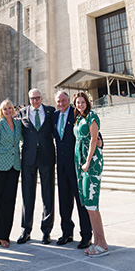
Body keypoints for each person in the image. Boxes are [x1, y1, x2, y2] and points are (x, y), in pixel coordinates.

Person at [53, 91, 92, 249]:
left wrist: (100, 139)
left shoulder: (77, 114)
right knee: (64, 202)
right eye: (58, 101)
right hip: (61, 166)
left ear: (69, 101)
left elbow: (87, 129)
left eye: (63, 100)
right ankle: (67, 232)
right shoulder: (54, 117)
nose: (61, 103)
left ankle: (86, 235)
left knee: (80, 201)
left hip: (76, 165)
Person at [17, 88, 55, 244]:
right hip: (28, 159)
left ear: (42, 98)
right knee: (27, 196)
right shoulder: (22, 113)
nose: (36, 101)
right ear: (29, 99)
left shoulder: (51, 111)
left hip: (46, 157)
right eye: (33, 98)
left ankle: (46, 231)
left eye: (38, 98)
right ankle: (26, 230)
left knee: (48, 195)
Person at [73, 92, 108, 257]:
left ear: (87, 102)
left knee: (92, 204)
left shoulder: (92, 117)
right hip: (81, 165)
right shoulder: (79, 119)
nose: (80, 105)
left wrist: (87, 162)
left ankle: (102, 243)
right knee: (87, 204)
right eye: (77, 103)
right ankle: (97, 242)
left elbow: (95, 139)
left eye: (82, 102)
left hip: (91, 164)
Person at [0, 99, 22, 247]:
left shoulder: (18, 124)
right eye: (5, 109)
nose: (8, 111)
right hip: (0, 168)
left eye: (10, 108)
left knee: (10, 201)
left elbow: (22, 140)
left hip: (14, 167)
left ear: (13, 109)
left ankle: (6, 234)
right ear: (1, 111)